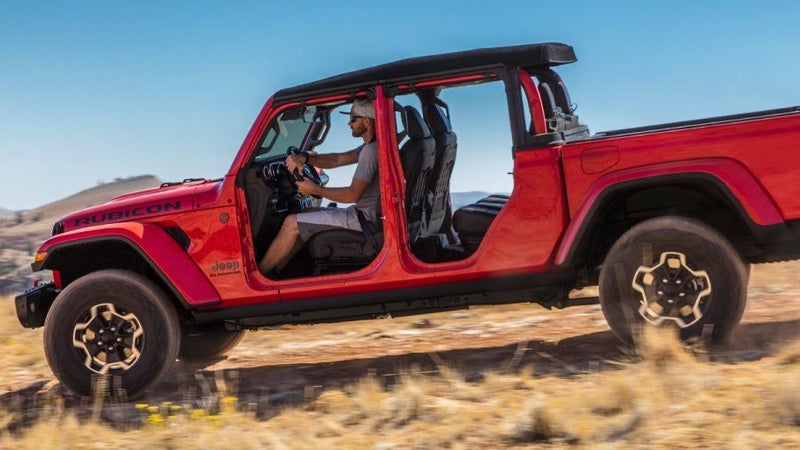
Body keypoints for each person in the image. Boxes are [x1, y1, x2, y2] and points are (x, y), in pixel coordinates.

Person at [259, 98, 380, 276]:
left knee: (291, 223)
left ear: (367, 122)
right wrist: (305, 158)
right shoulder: (370, 147)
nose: (349, 123)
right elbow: (336, 159)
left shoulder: (371, 152)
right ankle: (280, 272)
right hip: (365, 215)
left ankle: (261, 276)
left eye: (353, 119)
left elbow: (352, 195)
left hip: (364, 220)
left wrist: (315, 190)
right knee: (306, 214)